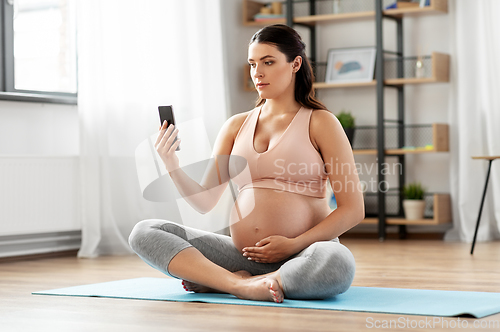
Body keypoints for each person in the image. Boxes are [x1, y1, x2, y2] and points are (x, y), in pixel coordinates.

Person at [128, 24, 364, 303]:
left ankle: (231, 282)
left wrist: (293, 244)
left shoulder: (321, 122)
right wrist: (171, 163)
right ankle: (239, 284)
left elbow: (353, 210)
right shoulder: (235, 125)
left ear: (295, 64)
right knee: (145, 232)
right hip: (242, 255)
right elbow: (205, 201)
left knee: (338, 262)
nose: (257, 73)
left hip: (305, 254)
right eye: (252, 64)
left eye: (268, 62)